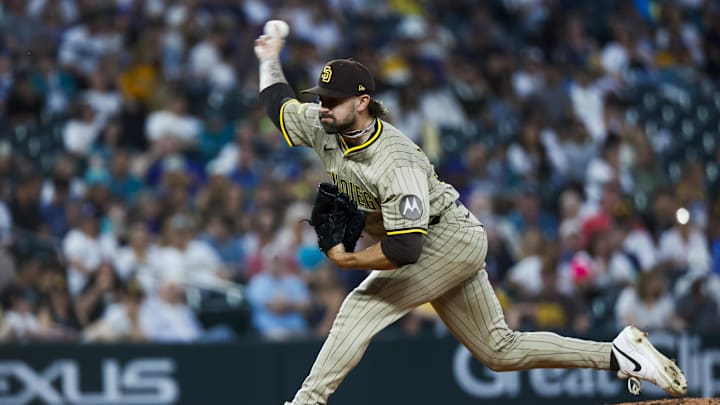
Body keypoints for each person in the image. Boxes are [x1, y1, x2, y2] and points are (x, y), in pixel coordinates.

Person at [253, 21, 687, 405]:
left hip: (445, 240)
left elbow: (405, 249)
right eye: (321, 97)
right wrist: (270, 58)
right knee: (498, 350)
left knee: (360, 306)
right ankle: (619, 355)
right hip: (439, 239)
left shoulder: (393, 160)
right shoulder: (325, 124)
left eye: (332, 99)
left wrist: (349, 260)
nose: (323, 105)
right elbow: (278, 105)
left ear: (362, 102)